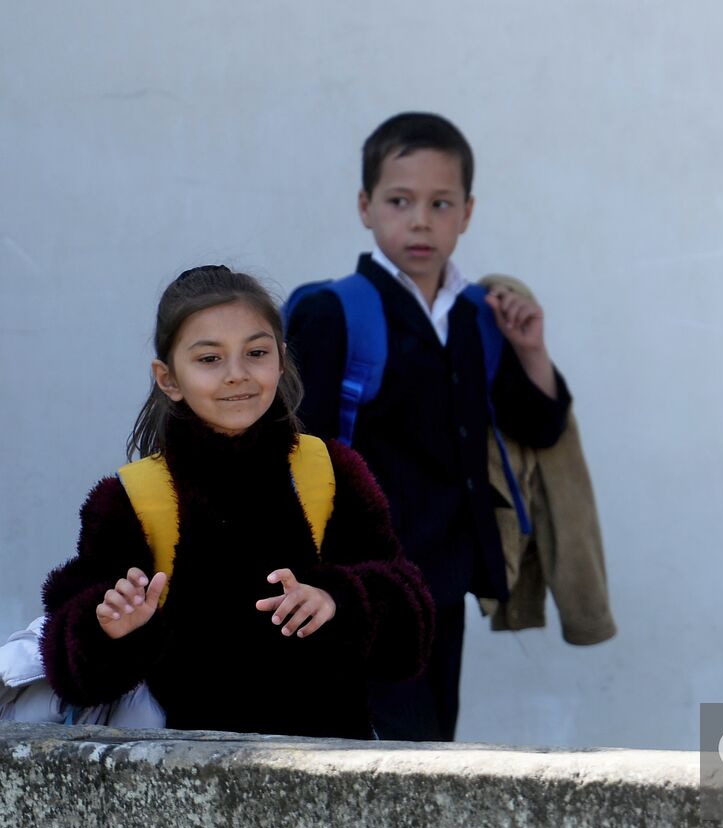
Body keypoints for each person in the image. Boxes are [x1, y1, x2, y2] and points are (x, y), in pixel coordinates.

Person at [41, 266, 434, 739]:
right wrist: (108, 628)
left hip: (329, 779)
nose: (237, 375)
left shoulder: (331, 472)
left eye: (256, 352)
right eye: (210, 358)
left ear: (281, 360)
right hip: (181, 790)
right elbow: (69, 668)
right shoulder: (130, 499)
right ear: (168, 379)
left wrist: (339, 600)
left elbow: (412, 633)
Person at [285, 113, 571, 742]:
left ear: (466, 212)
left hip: (445, 580)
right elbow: (296, 454)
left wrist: (531, 351)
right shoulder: (336, 313)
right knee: (381, 750)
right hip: (362, 584)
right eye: (399, 201)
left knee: (437, 743)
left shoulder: (477, 317)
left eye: (440, 203)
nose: (420, 220)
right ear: (365, 207)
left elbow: (539, 425)